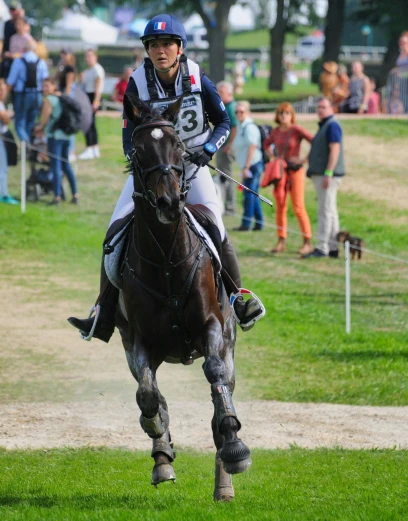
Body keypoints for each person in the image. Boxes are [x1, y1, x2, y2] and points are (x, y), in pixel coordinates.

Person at [68, 14, 264, 341]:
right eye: (154, 45)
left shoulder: (198, 77)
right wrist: (140, 160)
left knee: (215, 224)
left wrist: (209, 150)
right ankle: (103, 313)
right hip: (153, 168)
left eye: (167, 44)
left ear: (179, 47)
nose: (161, 51)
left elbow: (223, 123)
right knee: (113, 234)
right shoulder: (137, 82)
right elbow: (128, 134)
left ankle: (237, 298)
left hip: (194, 164)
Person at [263, 102, 314, 255]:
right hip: (281, 172)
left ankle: (307, 241)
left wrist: (305, 160)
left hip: (296, 170)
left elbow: (314, 140)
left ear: (292, 115)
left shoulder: (296, 129)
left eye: (287, 113)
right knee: (280, 205)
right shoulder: (276, 131)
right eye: (281, 113)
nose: (284, 116)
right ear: (277, 116)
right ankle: (281, 240)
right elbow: (266, 144)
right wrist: (273, 158)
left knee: (298, 206)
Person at [304, 97, 344, 259]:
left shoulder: (332, 125)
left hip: (327, 175)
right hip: (323, 174)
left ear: (331, 108)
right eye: (318, 107)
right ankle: (333, 246)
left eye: (324, 107)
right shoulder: (325, 126)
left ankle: (322, 247)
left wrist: (328, 172)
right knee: (330, 210)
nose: (320, 110)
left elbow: (335, 149)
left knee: (325, 211)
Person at [35, 77, 79, 205]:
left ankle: (57, 197)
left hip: (55, 136)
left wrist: (38, 128)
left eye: (47, 86)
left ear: (54, 86)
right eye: (43, 86)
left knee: (56, 166)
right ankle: (75, 195)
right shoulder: (62, 98)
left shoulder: (49, 100)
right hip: (66, 136)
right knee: (66, 165)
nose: (44, 89)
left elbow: (44, 120)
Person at [6, 39, 49, 142]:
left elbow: (10, 80)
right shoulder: (41, 62)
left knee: (19, 123)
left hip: (22, 95)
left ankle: (27, 146)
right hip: (37, 95)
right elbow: (46, 81)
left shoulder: (18, 61)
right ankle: (29, 147)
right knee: (31, 122)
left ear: (24, 48)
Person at [232, 101, 264, 232]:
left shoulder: (249, 127)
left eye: (242, 111)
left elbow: (252, 147)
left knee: (249, 195)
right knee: (252, 194)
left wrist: (246, 167)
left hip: (253, 165)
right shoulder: (241, 126)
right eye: (237, 112)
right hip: (248, 165)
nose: (239, 114)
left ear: (247, 112)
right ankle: (259, 223)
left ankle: (246, 224)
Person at [215, 81, 237, 216]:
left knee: (227, 176)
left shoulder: (231, 107)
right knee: (222, 174)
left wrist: (229, 144)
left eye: (221, 92)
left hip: (227, 147)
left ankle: (230, 206)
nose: (218, 95)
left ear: (229, 93)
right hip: (223, 146)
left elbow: (234, 127)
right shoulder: (226, 106)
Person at [78, 48, 105, 160]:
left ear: (95, 57)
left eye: (90, 56)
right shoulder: (88, 71)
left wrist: (96, 101)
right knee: (90, 124)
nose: (87, 58)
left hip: (92, 96)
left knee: (88, 123)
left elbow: (98, 87)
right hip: (87, 95)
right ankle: (93, 149)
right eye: (86, 56)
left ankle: (90, 148)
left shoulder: (97, 70)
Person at [0, 0, 21, 79]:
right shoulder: (7, 24)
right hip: (7, 53)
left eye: (14, 10)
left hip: (17, 55)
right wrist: (2, 53)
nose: (12, 12)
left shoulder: (22, 24)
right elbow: (5, 40)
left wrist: (20, 17)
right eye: (11, 10)